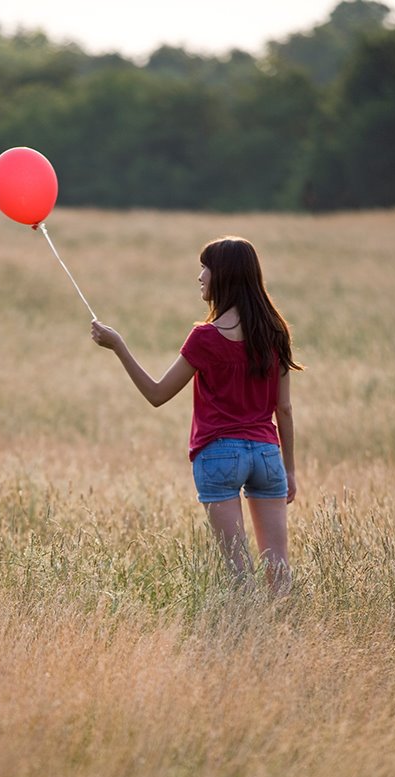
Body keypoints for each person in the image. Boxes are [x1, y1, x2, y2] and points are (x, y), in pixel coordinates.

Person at [90, 235, 302, 594]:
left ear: (225, 276)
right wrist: (290, 468)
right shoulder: (275, 332)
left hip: (219, 454)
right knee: (278, 566)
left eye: (206, 267)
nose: (200, 276)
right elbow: (284, 408)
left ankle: (247, 638)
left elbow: (157, 394)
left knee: (239, 570)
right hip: (267, 454)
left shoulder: (204, 338)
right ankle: (287, 637)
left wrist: (119, 347)